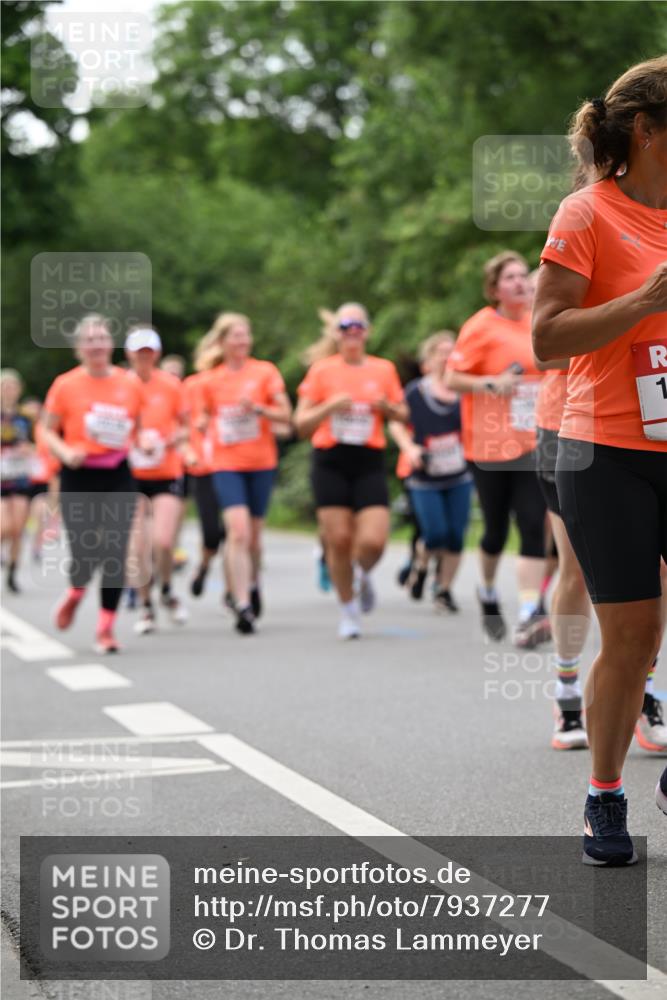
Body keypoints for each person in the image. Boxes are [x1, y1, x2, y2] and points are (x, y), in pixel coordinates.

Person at [532, 56, 667, 863]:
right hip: (604, 450)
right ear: (648, 131)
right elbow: (547, 339)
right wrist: (643, 302)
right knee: (634, 636)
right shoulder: (587, 214)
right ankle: (604, 798)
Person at [446, 252, 548, 647]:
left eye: (524, 275)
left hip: (532, 441)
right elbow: (451, 378)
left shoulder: (539, 321)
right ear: (494, 288)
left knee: (532, 524)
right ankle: (488, 590)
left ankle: (528, 612)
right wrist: (490, 383)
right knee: (494, 531)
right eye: (510, 278)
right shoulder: (480, 326)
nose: (521, 283)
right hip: (488, 445)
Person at [294, 303, 407, 639]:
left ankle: (361, 574)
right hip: (330, 459)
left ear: (368, 331)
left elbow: (403, 414)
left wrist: (388, 409)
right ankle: (348, 611)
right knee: (339, 539)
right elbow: (300, 424)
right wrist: (329, 406)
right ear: (336, 333)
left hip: (367, 459)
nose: (352, 332)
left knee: (374, 541)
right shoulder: (321, 371)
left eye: (359, 325)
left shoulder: (383, 369)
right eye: (345, 326)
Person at [42, 315, 142, 653]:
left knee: (115, 551)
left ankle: (106, 628)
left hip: (117, 473)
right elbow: (45, 429)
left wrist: (145, 443)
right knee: (85, 552)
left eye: (102, 338)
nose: (98, 345)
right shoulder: (65, 385)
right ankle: (75, 592)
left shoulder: (129, 383)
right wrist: (64, 451)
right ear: (78, 348)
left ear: (111, 344)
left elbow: (139, 427)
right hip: (78, 474)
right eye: (90, 339)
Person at [198, 312, 291, 634]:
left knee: (254, 536)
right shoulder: (210, 380)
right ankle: (242, 604)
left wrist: (260, 409)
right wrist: (198, 426)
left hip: (261, 462)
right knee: (238, 532)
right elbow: (201, 417)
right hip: (226, 464)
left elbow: (286, 414)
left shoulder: (265, 372)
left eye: (245, 335)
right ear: (222, 342)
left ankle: (252, 583)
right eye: (234, 336)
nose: (241, 341)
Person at [390, 332, 472, 612]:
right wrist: (409, 449)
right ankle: (422, 564)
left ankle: (444, 589)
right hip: (424, 476)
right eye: (442, 351)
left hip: (460, 473)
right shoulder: (416, 391)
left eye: (453, 351)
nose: (448, 356)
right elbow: (395, 423)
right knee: (435, 533)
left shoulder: (465, 391)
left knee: (457, 535)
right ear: (430, 359)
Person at [125, 328, 189, 633]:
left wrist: (174, 438)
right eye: (139, 353)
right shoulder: (120, 385)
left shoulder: (171, 385)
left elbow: (189, 426)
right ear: (129, 355)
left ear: (157, 354)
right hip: (131, 474)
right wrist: (136, 441)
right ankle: (146, 606)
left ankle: (166, 589)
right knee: (139, 545)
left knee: (163, 541)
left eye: (149, 352)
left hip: (166, 471)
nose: (144, 358)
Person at [182, 332, 228, 602]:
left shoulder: (239, 382)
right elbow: (180, 426)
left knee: (236, 530)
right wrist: (187, 450)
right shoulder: (191, 386)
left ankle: (236, 591)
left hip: (234, 464)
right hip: (203, 467)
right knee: (212, 532)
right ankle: (204, 565)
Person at [0, 370, 33, 592]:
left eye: (13, 386)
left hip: (20, 477)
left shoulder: (26, 417)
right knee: (4, 526)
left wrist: (27, 449)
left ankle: (12, 571)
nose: (10, 390)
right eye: (5, 386)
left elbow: (39, 444)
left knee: (18, 530)